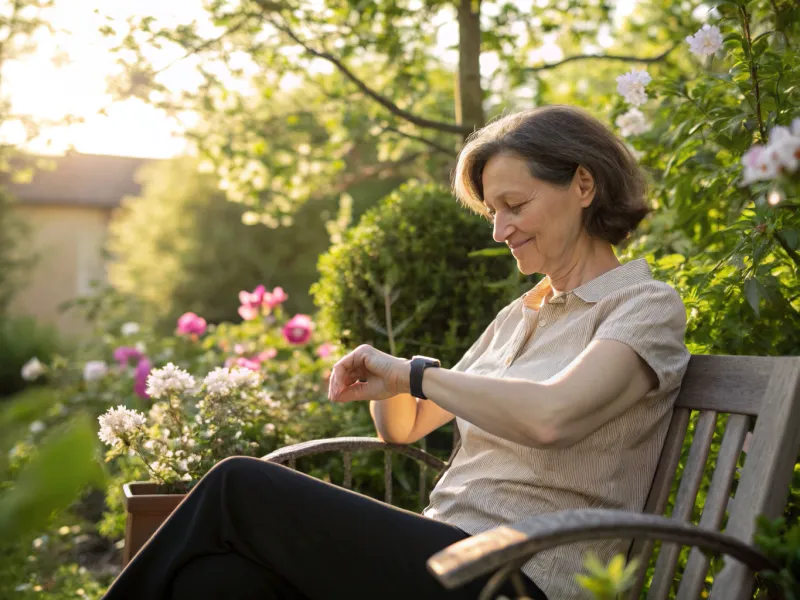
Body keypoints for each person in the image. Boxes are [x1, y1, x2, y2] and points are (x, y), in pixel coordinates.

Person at [103, 105, 689, 600]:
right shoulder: (523, 313)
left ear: (583, 185)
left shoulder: (641, 306)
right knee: (215, 582)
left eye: (515, 205)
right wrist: (391, 387)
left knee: (239, 486)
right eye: (493, 212)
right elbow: (405, 430)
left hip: (522, 575)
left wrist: (415, 375)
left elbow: (551, 416)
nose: (499, 229)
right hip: (446, 551)